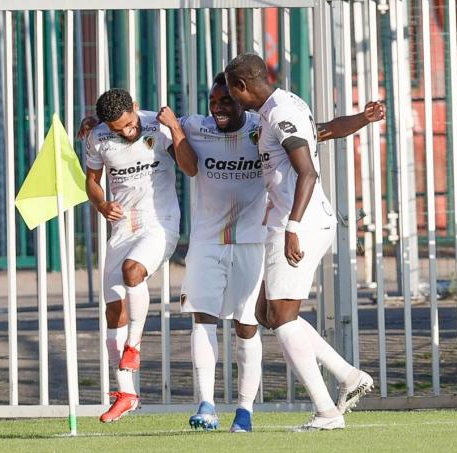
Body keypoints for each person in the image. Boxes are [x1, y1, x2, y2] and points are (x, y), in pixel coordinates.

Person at [156, 72, 384, 433]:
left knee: (264, 321)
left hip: (266, 235)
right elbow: (152, 128)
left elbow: (321, 137)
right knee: (259, 315)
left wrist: (361, 119)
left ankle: (258, 411)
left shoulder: (265, 124)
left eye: (227, 99)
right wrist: (100, 124)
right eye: (213, 101)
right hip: (215, 239)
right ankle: (344, 376)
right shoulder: (200, 127)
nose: (218, 108)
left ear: (241, 94)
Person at [224, 53, 376, 432]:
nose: (231, 100)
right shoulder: (284, 105)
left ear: (241, 86)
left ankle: (327, 412)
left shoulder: (279, 113)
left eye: (231, 92)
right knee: (267, 313)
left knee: (282, 318)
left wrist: (292, 226)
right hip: (296, 222)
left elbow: (306, 172)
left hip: (298, 225)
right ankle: (348, 375)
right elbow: (325, 130)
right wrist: (363, 118)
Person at [84, 88, 195, 423]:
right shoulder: (97, 137)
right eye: (118, 129)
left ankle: (133, 347)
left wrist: (175, 128)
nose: (127, 131)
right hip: (122, 228)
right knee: (113, 311)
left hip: (159, 222)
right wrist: (101, 203)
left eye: (129, 123)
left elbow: (190, 166)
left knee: (133, 271)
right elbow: (92, 180)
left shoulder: (157, 126)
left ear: (135, 107)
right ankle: (127, 395)